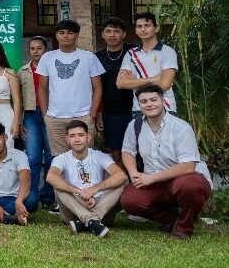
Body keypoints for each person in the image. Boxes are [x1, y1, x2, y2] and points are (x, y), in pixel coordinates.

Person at [120, 84, 213, 239]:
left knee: (188, 186)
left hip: (186, 178)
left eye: (153, 100)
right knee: (130, 199)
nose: (149, 104)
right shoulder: (135, 126)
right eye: (144, 101)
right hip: (155, 182)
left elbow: (188, 166)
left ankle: (184, 228)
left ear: (162, 100)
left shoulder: (181, 127)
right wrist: (134, 173)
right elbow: (128, 151)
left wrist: (151, 178)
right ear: (139, 105)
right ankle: (170, 220)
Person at [47, 120, 128, 237]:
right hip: (74, 208)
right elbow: (51, 177)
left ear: (88, 137)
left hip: (101, 207)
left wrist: (95, 189)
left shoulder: (100, 156)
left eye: (81, 135)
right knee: (58, 186)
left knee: (121, 183)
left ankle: (88, 221)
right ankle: (91, 221)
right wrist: (80, 192)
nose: (77, 139)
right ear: (67, 140)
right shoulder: (61, 158)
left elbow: (120, 175)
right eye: (72, 136)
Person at [38, 20, 105, 156]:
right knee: (59, 160)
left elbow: (98, 88)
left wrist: (91, 115)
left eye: (70, 32)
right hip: (55, 118)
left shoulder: (88, 57)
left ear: (77, 35)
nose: (65, 36)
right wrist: (46, 115)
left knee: (84, 158)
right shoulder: (47, 58)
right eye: (61, 33)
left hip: (82, 116)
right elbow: (42, 88)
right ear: (56, 35)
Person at [117, 12, 179, 116]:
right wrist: (153, 79)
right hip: (139, 108)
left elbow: (164, 84)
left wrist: (134, 82)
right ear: (136, 30)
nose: (143, 29)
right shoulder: (131, 54)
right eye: (139, 26)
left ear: (156, 28)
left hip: (165, 107)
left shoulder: (167, 52)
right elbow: (120, 83)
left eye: (147, 25)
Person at [95, 18, 138, 163]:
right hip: (110, 112)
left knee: (139, 150)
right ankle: (122, 184)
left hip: (135, 108)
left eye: (116, 31)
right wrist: (98, 114)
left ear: (124, 34)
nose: (112, 35)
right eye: (108, 31)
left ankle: (139, 183)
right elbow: (95, 88)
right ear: (103, 35)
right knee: (116, 152)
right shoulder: (96, 57)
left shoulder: (134, 53)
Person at [17, 35, 54, 203]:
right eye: (32, 48)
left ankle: (48, 196)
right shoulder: (23, 71)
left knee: (52, 156)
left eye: (39, 48)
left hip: (51, 113)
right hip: (30, 115)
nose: (35, 51)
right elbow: (16, 98)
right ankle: (31, 195)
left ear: (46, 50)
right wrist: (18, 121)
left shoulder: (54, 68)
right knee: (32, 157)